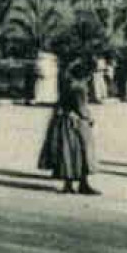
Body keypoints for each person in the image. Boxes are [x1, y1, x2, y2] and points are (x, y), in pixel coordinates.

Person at [38, 64, 99, 195]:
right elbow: (81, 108)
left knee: (67, 154)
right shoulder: (79, 88)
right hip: (75, 124)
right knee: (82, 152)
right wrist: (89, 118)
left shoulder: (68, 85)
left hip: (64, 123)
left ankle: (69, 184)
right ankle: (83, 183)